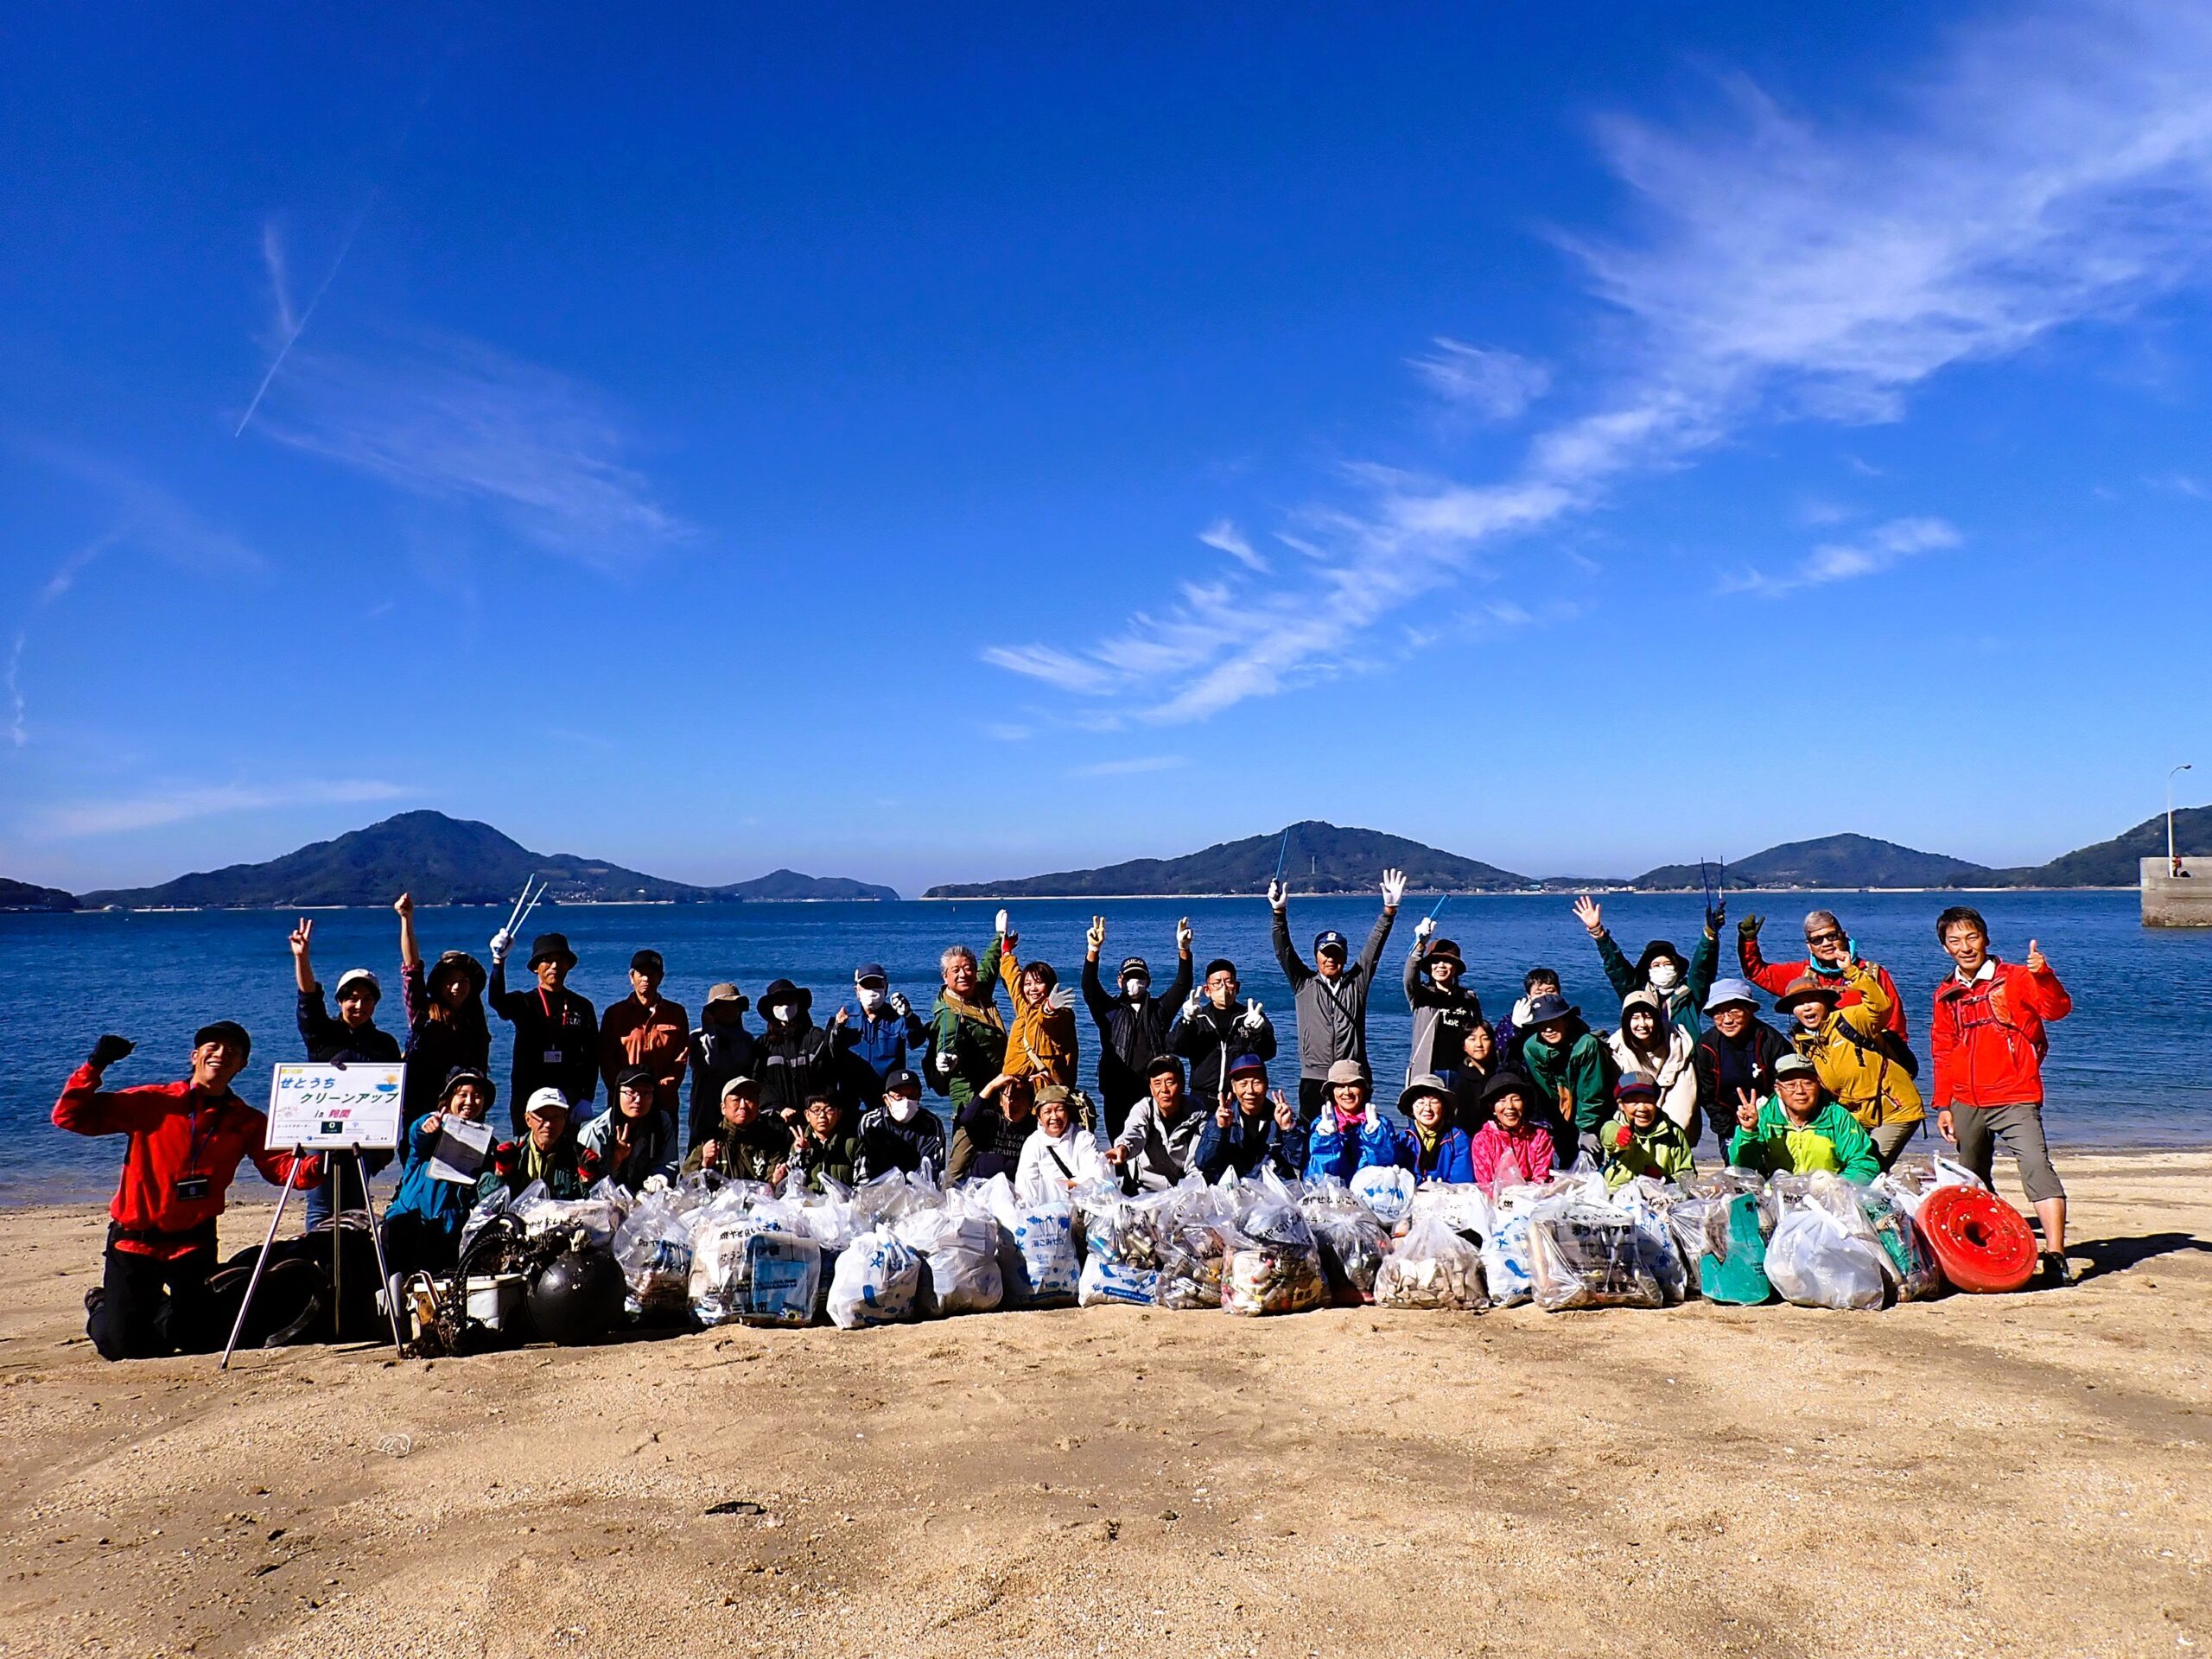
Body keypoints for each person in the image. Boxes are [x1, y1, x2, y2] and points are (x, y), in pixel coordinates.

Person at [54, 1024, 321, 1362]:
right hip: (135, 1242)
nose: (222, 1053)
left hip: (194, 1243)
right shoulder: (152, 1102)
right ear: (195, 1056)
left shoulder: (247, 1120)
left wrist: (324, 1158)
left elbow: (282, 1170)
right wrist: (95, 1065)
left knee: (198, 1341)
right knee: (124, 1348)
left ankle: (160, 1308)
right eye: (213, 1046)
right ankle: (102, 1301)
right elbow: (69, 1117)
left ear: (242, 1065)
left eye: (233, 1051)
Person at [1930, 907, 2075, 1285]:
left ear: (1985, 939)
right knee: (1972, 1177)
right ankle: (1993, 1246)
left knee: (2036, 1167)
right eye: (1955, 941)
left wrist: (2043, 974)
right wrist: (1943, 1103)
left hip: (2015, 1094)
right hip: (1965, 1099)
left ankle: (2056, 1254)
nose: (1965, 947)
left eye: (1971, 937)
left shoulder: (2016, 978)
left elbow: (2057, 1009)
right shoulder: (1947, 993)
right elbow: (1943, 1048)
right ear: (1945, 948)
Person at [288, 916, 403, 1229]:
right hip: (322, 1136)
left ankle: (352, 1270)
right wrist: (302, 957)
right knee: (320, 1208)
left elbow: (392, 1098)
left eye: (367, 999)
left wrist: (385, 1147)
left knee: (356, 1209)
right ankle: (321, 1267)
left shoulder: (385, 1044)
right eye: (352, 997)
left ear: (376, 1004)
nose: (359, 1004)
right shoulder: (322, 1034)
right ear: (340, 1001)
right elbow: (309, 999)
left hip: (363, 1139)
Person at [1269, 868, 1405, 1120]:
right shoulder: (1304, 983)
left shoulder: (1357, 983)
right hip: (1314, 1077)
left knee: (1357, 1139)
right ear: (1316, 956)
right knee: (1314, 1137)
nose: (1331, 959)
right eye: (1325, 953)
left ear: (1344, 957)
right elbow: (1284, 952)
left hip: (1352, 1076)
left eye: (1336, 954)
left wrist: (1388, 913)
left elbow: (1373, 949)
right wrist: (1279, 914)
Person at [1775, 967, 1924, 1170]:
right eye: (1798, 1004)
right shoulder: (1803, 1043)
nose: (1806, 1007)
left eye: (1812, 1000)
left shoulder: (1851, 1019)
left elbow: (1880, 1006)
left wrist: (1853, 973)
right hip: (1856, 1116)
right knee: (1837, 1164)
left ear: (1826, 1001)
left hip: (1896, 1109)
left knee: (1869, 1166)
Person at [1082, 912, 1195, 1135]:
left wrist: (1184, 949)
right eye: (1130, 977)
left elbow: (1182, 985)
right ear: (1120, 980)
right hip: (1116, 1091)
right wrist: (1093, 950)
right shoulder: (1110, 1011)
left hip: (1151, 1091)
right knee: (1120, 1146)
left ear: (1148, 981)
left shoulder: (1159, 1010)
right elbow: (1090, 988)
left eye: (1140, 978)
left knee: (1151, 1146)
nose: (1136, 983)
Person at [394, 893, 491, 1143]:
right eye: (450, 982)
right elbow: (412, 969)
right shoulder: (423, 1012)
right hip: (422, 1108)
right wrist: (407, 919)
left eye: (463, 981)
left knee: (462, 1173)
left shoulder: (475, 1020)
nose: (457, 988)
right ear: (438, 985)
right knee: (418, 1168)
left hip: (466, 1109)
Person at [382, 1067, 497, 1276]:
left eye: (477, 1096)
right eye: (463, 1095)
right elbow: (416, 1135)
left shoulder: (487, 1144)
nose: (470, 1102)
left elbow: (485, 1191)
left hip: (449, 1224)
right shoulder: (432, 1128)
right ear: (448, 1099)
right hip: (409, 1217)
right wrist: (428, 1124)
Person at [1739, 909, 1910, 1043]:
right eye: (1817, 940)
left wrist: (1899, 1062)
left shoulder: (1872, 973)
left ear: (1843, 936)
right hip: (1819, 1068)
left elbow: (1895, 1024)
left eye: (1832, 936)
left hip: (1868, 1068)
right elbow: (1756, 972)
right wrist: (1748, 941)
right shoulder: (1800, 974)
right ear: (1809, 946)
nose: (1827, 943)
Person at [486, 929, 598, 1132]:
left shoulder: (582, 1006)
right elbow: (496, 1000)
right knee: (527, 1156)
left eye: (561, 960)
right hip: (527, 1093)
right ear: (536, 967)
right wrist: (498, 961)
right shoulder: (524, 1002)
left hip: (569, 1096)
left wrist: (587, 1098)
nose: (555, 966)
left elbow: (592, 1056)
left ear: (568, 966)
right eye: (547, 960)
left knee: (567, 1157)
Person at [1571, 894, 1720, 1037]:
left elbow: (1702, 969)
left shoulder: (1691, 993)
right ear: (1648, 971)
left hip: (1685, 1060)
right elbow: (1617, 968)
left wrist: (1710, 936)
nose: (1662, 968)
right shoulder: (1637, 993)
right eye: (1656, 965)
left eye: (1668, 963)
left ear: (1677, 968)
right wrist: (1599, 934)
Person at [924, 936, 1009, 1175]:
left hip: (999, 1090)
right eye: (955, 970)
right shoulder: (950, 1013)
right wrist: (947, 1062)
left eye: (968, 968)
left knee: (1001, 1153)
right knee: (961, 1160)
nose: (963, 974)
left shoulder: (977, 993)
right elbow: (947, 1044)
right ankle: (950, 1202)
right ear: (945, 978)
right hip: (972, 1097)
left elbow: (990, 968)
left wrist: (999, 940)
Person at [1726, 1053, 1880, 1182]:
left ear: (1818, 1086)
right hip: (1780, 1195)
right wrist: (1747, 1130)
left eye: (1807, 1083)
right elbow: (1744, 1169)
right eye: (1791, 1085)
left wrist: (1837, 1187)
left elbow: (1863, 1164)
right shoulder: (1765, 1117)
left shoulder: (1837, 1117)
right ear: (1778, 1090)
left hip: (1829, 1195)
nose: (1800, 1091)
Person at [1691, 978, 1792, 1151]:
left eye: (1734, 1012)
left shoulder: (1772, 1041)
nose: (1727, 1020)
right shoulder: (1706, 1046)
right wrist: (1727, 1128)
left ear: (1750, 1010)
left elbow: (1787, 1087)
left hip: (1770, 1120)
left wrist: (1765, 1119)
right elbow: (1706, 1093)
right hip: (1729, 1123)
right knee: (1736, 1173)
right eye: (1719, 1014)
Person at [1173, 957, 1277, 1114]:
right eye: (1217, 983)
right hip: (1202, 1098)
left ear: (1237, 987)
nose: (1223, 987)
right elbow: (1176, 1047)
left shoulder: (1250, 1016)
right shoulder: (1198, 1017)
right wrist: (1187, 1021)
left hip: (1239, 1098)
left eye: (1229, 982)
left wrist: (1258, 1033)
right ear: (1207, 990)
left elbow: (1269, 1052)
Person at [1516, 993, 1612, 1162]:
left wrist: (1586, 1129)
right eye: (1542, 1024)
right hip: (1560, 1112)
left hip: (1593, 1113)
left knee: (1595, 1161)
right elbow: (1547, 1090)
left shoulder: (1586, 1045)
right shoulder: (1532, 1047)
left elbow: (1591, 1092)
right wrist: (1558, 1123)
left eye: (1554, 1021)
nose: (1548, 1029)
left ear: (1566, 1020)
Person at [598, 950, 688, 1123]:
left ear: (661, 977)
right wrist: (627, 1091)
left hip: (664, 1103)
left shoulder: (676, 1013)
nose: (646, 978)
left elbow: (681, 1058)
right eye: (641, 973)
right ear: (632, 977)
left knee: (663, 1149)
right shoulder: (614, 1014)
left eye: (652, 973)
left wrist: (655, 1090)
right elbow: (606, 1058)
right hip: (624, 1103)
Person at [1192, 1052, 1305, 1182]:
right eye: (1243, 1084)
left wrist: (1288, 1129)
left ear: (1266, 1084)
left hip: (1273, 1194)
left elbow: (1300, 1161)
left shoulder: (1281, 1117)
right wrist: (1220, 1130)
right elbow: (1204, 1164)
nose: (1250, 1091)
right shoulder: (1223, 1118)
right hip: (1234, 1191)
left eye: (1256, 1083)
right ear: (1234, 1087)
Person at [833, 962, 931, 1107]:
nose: (872, 990)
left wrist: (909, 1016)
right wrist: (837, 1028)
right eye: (867, 985)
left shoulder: (897, 1017)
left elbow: (916, 1041)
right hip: (851, 1099)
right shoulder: (845, 1016)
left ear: (886, 987)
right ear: (857, 990)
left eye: (877, 984)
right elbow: (831, 1051)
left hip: (887, 1099)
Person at [1402, 920, 1486, 1082]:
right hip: (1429, 1070)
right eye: (1436, 961)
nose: (1441, 966)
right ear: (1429, 967)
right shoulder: (1422, 995)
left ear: (1456, 968)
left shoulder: (1469, 998)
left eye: (1447, 961)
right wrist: (1420, 946)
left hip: (1463, 1071)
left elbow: (1478, 1032)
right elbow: (1409, 977)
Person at [1105, 1055, 1204, 1191]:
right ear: (1151, 1089)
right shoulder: (1144, 1108)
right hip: (1142, 1190)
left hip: (1183, 1191)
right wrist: (1124, 1148)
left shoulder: (1198, 1114)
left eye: (1170, 1082)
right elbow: (1134, 1131)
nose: (1164, 1089)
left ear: (1182, 1084)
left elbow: (1196, 1165)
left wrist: (1186, 1195)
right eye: (1157, 1083)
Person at [1605, 989, 1697, 1133]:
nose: (1642, 1024)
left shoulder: (1678, 1045)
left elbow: (1684, 1101)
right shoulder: (1618, 1047)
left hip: (1672, 1114)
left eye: (1648, 1017)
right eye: (1635, 1018)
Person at [996, 933, 1080, 1091]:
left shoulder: (1063, 1014)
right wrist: (1006, 951)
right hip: (1016, 1092)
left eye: (1039, 983)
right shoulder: (1024, 1006)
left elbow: (1049, 1021)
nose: (1032, 988)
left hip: (1046, 1095)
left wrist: (1050, 1009)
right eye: (1028, 984)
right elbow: (1012, 977)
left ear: (1050, 985)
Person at [578, 1067, 679, 1192]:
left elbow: (669, 1163)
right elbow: (589, 1186)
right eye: (631, 1093)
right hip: (607, 1200)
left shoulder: (662, 1122)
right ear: (618, 1093)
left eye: (646, 1093)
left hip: (646, 1197)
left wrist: (660, 1178)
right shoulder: (595, 1132)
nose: (638, 1100)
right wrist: (616, 1160)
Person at [1300, 1059, 1400, 1182]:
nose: (1347, 1092)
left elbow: (1384, 1169)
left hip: (1368, 1192)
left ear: (1364, 1089)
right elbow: (1317, 1175)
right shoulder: (1321, 1124)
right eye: (1340, 1086)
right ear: (1332, 1091)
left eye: (1353, 1085)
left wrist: (1375, 1139)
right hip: (1332, 1193)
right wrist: (1326, 1141)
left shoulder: (1381, 1124)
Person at [686, 984, 760, 1152]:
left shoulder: (746, 1040)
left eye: (734, 1005)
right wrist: (709, 1030)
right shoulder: (697, 1038)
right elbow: (707, 1065)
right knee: (700, 1158)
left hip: (737, 1110)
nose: (729, 1010)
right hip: (706, 1110)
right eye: (723, 1006)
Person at [755, 979, 839, 1125]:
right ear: (771, 1008)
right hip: (776, 1123)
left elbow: (828, 1068)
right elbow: (759, 1082)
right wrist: (779, 1109)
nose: (785, 1006)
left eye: (789, 1001)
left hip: (815, 1121)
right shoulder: (762, 1045)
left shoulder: (815, 1036)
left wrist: (837, 1031)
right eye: (779, 1002)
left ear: (799, 1004)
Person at [681, 1076, 791, 1182]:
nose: (743, 1105)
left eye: (749, 1099)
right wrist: (705, 1164)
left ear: (758, 1105)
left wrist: (776, 1182)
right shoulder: (709, 1140)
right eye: (736, 1100)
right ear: (723, 1108)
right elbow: (685, 1182)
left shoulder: (772, 1141)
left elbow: (772, 1186)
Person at [485, 1087, 589, 1198]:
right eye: (542, 1117)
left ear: (565, 1119)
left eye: (556, 1117)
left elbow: (592, 1204)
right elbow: (487, 1201)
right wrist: (501, 1173)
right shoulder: (510, 1155)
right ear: (528, 1120)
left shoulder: (577, 1157)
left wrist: (587, 1179)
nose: (548, 1124)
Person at [1599, 1073, 1697, 1191]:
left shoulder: (1674, 1133)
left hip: (1661, 1196)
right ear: (1621, 1105)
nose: (1642, 1108)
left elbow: (1687, 1173)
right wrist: (1619, 1136)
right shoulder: (1615, 1126)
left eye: (1648, 1101)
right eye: (1634, 1102)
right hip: (1619, 1195)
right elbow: (1607, 1134)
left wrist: (1663, 1180)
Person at [1015, 1083, 1110, 1200]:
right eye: (1047, 1112)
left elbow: (1093, 1175)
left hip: (1083, 1201)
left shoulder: (1083, 1137)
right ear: (1039, 1118)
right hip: (1046, 1206)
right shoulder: (1033, 1143)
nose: (1054, 1117)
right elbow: (1025, 1186)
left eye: (1059, 1110)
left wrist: (1059, 1186)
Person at [1468, 1073, 1556, 1192]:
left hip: (1533, 1201)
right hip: (1497, 1202)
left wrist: (1523, 1200)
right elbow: (1486, 1184)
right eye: (1502, 1100)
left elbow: (1541, 1181)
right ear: (1492, 1108)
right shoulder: (1483, 1140)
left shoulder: (1539, 1136)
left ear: (1524, 1104)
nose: (1510, 1106)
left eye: (1515, 1099)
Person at [855, 1068, 945, 1183]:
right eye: (899, 1097)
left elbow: (933, 1168)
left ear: (919, 1097)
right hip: (880, 1189)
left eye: (912, 1096)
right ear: (886, 1100)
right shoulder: (871, 1122)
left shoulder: (931, 1124)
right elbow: (863, 1166)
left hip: (917, 1190)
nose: (906, 1102)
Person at [950, 1071, 1039, 1184]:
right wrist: (991, 1086)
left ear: (1030, 1103)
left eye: (1019, 1097)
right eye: (1009, 1097)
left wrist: (1051, 1085)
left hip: (1016, 1188)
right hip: (981, 1185)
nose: (1013, 1102)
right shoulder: (992, 1119)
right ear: (1001, 1101)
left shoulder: (1034, 1126)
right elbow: (966, 1119)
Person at [1389, 1074, 1477, 1182]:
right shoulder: (1403, 1140)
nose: (1427, 1108)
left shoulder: (1459, 1140)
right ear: (1411, 1109)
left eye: (1434, 1102)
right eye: (1421, 1102)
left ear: (1444, 1108)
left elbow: (1461, 1181)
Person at [1442, 1022, 1510, 1135]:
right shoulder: (1457, 1079)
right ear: (1464, 1046)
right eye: (1472, 1039)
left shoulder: (1502, 1074)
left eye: (1485, 1039)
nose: (1479, 1044)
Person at [787, 1091, 861, 1192]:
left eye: (829, 1110)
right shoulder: (799, 1144)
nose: (822, 1115)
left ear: (838, 1114)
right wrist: (801, 1154)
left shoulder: (852, 1144)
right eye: (816, 1110)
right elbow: (792, 1186)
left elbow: (862, 1183)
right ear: (807, 1115)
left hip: (844, 1205)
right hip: (809, 1205)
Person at [1493, 966, 1561, 1071]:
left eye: (1550, 991)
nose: (1545, 996)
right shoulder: (1511, 1020)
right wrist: (1516, 1028)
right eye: (1538, 993)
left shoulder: (1567, 1017)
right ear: (1529, 996)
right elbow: (1501, 1049)